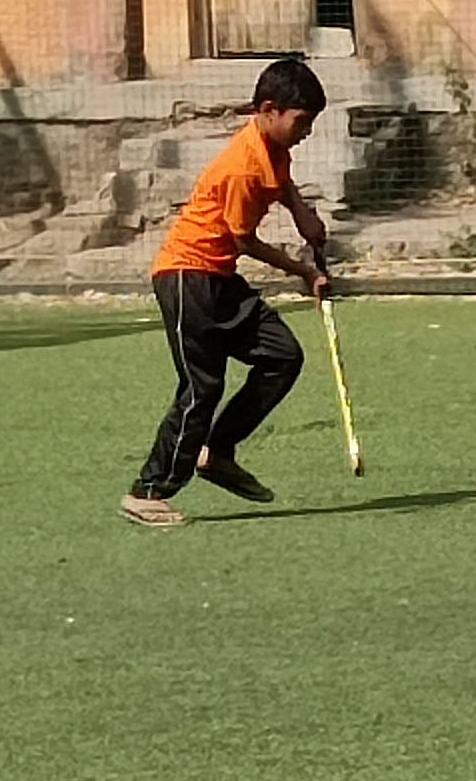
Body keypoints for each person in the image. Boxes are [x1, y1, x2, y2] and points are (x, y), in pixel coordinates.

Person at [120, 56, 336, 528]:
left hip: (218, 279)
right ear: (268, 109)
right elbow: (244, 241)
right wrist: (302, 270)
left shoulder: (271, 145)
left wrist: (303, 214)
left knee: (282, 356)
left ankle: (217, 453)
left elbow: (283, 181)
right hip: (186, 276)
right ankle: (148, 492)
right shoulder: (241, 166)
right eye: (301, 122)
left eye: (312, 122)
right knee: (203, 386)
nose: (306, 131)